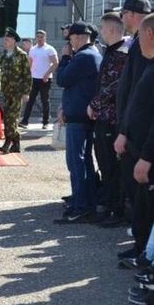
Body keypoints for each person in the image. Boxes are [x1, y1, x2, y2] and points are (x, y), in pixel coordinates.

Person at [113, 0, 152, 262]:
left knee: (142, 199)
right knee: (138, 197)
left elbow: (141, 95)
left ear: (134, 15)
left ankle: (143, 250)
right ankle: (141, 247)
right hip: (134, 130)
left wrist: (124, 131)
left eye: (124, 14)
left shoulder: (143, 45)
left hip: (141, 137)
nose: (122, 19)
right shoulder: (138, 44)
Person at [53, 22, 102, 224]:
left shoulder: (83, 57)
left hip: (79, 120)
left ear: (79, 37)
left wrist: (64, 58)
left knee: (77, 163)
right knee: (84, 162)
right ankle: (85, 203)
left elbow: (62, 79)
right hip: (81, 117)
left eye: (71, 38)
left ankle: (81, 206)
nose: (69, 43)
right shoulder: (92, 55)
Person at [86, 12, 128, 227]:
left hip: (111, 118)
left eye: (102, 28)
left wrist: (94, 104)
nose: (100, 32)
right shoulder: (111, 53)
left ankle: (116, 210)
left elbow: (115, 86)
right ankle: (110, 207)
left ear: (111, 29)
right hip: (104, 117)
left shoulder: (121, 54)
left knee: (112, 167)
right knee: (104, 164)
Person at [125, 13, 154, 305]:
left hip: (150, 156)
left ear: (150, 35)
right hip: (142, 150)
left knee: (148, 215)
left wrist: (146, 156)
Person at [0, 28, 31, 153]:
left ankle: (7, 142)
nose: (5, 41)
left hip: (17, 93)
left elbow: (27, 75)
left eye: (7, 39)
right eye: (4, 39)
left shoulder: (21, 55)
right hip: (6, 92)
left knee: (12, 118)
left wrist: (26, 92)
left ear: (13, 41)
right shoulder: (4, 56)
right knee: (7, 118)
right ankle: (16, 143)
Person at [20, 30, 58, 129]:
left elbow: (55, 63)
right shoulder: (33, 49)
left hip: (45, 79)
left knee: (45, 100)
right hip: (33, 78)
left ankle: (45, 122)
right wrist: (27, 76)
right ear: (36, 38)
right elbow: (29, 64)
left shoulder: (50, 49)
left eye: (42, 37)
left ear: (45, 37)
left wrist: (47, 74)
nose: (40, 38)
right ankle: (25, 121)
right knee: (30, 100)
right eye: (38, 36)